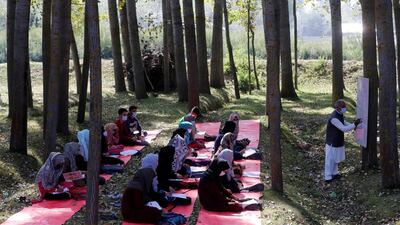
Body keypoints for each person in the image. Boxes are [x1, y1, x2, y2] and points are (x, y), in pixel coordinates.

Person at [324, 99, 361, 183]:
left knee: (336, 158)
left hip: (338, 140)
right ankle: (328, 177)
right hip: (332, 142)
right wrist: (354, 125)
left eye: (345, 106)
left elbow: (343, 122)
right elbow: (343, 128)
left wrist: (353, 126)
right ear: (338, 108)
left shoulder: (339, 114)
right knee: (330, 160)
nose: (345, 108)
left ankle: (335, 173)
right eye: (343, 107)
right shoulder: (334, 118)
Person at [121, 153, 163, 223]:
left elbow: (148, 195)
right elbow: (138, 205)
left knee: (156, 209)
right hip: (130, 212)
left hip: (135, 208)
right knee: (155, 212)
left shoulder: (141, 183)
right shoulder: (136, 188)